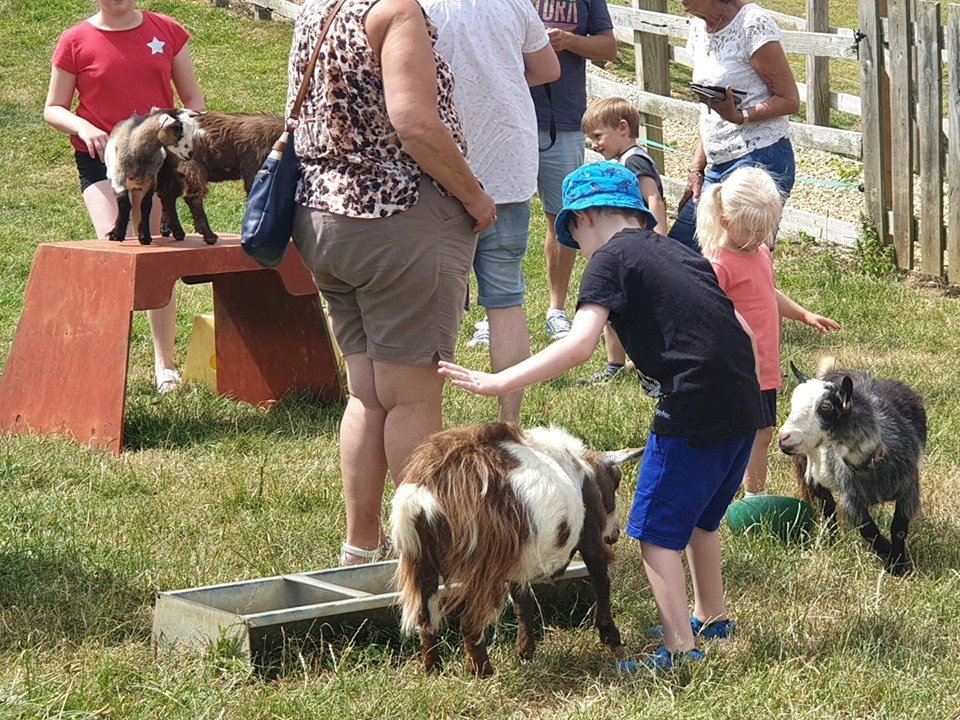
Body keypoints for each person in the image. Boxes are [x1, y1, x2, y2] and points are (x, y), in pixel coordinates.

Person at [439, 162, 766, 670]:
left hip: (691, 407)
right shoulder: (679, 251)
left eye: (571, 232)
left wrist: (500, 381)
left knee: (656, 537)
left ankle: (681, 649)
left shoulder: (609, 259)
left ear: (583, 218)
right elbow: (741, 325)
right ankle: (711, 617)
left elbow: (579, 345)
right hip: (746, 402)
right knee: (703, 520)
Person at [288, 0, 495, 566]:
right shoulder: (396, 11)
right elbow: (415, 122)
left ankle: (360, 546)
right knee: (411, 398)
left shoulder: (320, 8)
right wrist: (474, 195)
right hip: (396, 217)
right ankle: (418, 556)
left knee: (368, 395)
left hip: (323, 218)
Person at [44, 0, 206, 394]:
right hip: (102, 160)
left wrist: (173, 125)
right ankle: (104, 364)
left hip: (156, 159)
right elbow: (53, 108)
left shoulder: (166, 30)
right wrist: (83, 127)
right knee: (113, 251)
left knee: (153, 262)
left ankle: (164, 365)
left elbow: (195, 103)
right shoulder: (74, 40)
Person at [420, 0, 560, 423]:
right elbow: (548, 68)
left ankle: (422, 413)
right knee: (506, 298)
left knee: (430, 300)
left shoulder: (415, 6)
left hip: (442, 164)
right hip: (507, 161)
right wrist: (500, 77)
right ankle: (509, 421)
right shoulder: (514, 2)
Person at [697, 167, 840, 496]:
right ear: (725, 221)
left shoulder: (758, 252)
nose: (760, 238)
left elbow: (766, 292)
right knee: (755, 432)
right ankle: (752, 496)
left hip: (765, 364)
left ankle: (739, 491)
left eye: (766, 229)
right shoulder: (720, 264)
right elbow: (707, 309)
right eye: (751, 230)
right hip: (740, 366)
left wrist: (803, 314)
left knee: (759, 431)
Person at [669, 0, 800, 249]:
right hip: (717, 162)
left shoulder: (752, 23)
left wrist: (741, 117)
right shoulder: (698, 27)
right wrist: (697, 168)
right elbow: (708, 107)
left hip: (760, 156)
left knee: (740, 260)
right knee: (681, 252)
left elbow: (790, 100)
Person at [531, 0, 617, 341]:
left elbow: (608, 47)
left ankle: (557, 309)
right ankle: (495, 311)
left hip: (564, 121)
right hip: (511, 116)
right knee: (501, 215)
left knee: (562, 217)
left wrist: (569, 41)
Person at [577, 97, 668, 386]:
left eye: (597, 136)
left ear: (623, 128)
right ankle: (620, 361)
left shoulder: (634, 160)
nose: (594, 144)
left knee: (616, 302)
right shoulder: (626, 160)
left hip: (640, 243)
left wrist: (657, 236)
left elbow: (653, 197)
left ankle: (620, 362)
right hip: (631, 243)